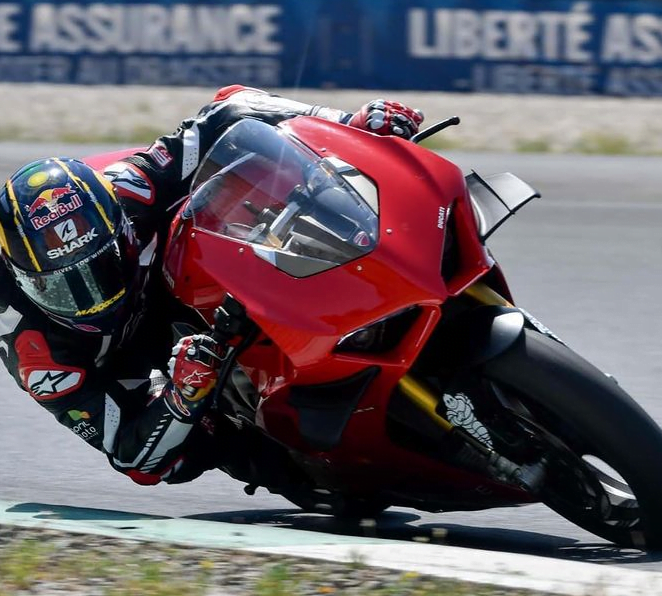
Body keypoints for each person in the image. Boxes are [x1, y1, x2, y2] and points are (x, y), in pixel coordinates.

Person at [0, 85, 423, 487]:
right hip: (124, 357)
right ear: (24, 278)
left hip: (165, 269)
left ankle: (375, 274)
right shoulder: (39, 356)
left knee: (255, 172)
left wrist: (349, 120)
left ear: (121, 229)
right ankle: (317, 471)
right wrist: (181, 399)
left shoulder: (129, 188)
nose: (93, 300)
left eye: (101, 268)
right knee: (184, 458)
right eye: (64, 288)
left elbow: (230, 108)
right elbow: (129, 454)